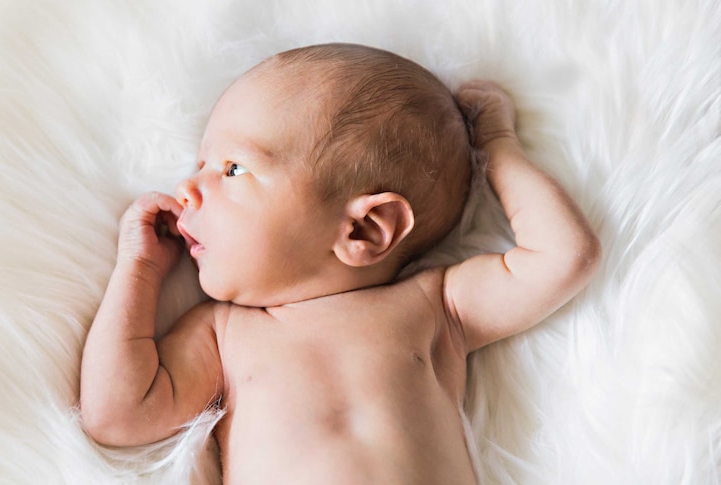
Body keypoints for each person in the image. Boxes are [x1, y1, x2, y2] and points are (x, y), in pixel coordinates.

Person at [79, 43, 601, 484]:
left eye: (233, 167)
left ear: (363, 230)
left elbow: (564, 256)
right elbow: (118, 414)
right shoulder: (222, 335)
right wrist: (138, 269)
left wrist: (497, 146)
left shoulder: (437, 307)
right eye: (201, 165)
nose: (186, 189)